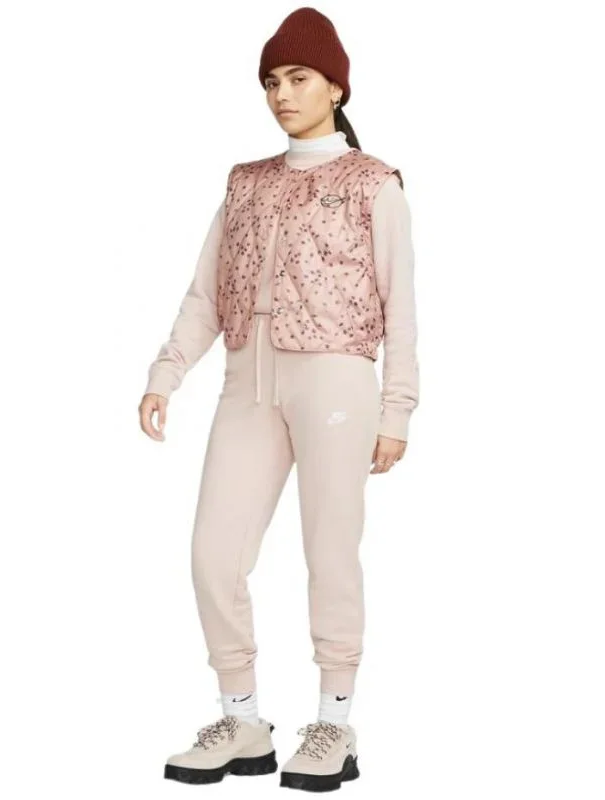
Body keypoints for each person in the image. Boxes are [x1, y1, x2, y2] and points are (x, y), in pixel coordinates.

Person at [138, 7, 419, 791]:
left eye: (298, 78)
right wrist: (166, 371)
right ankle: (243, 719)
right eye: (271, 81)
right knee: (213, 553)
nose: (282, 94)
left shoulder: (374, 183)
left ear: (336, 87)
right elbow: (205, 292)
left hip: (335, 381)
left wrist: (397, 409)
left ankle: (333, 724)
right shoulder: (246, 182)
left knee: (329, 551)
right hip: (246, 383)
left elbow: (401, 304)